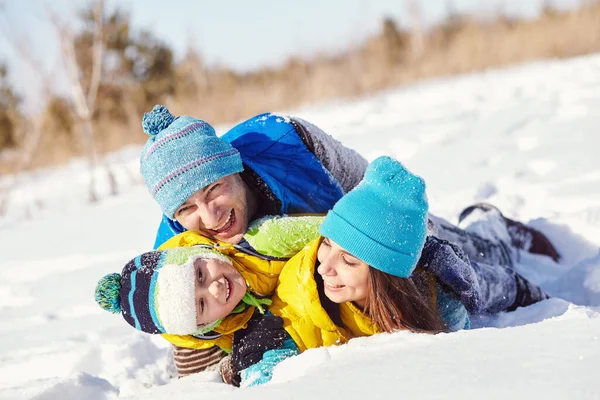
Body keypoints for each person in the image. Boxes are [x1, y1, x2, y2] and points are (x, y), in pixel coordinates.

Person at [230, 156, 551, 387]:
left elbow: (503, 287)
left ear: (386, 278)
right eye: (327, 243)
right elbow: (265, 374)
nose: (325, 266)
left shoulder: (443, 295)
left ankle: (489, 219)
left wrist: (539, 298)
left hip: (478, 263)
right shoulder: (302, 290)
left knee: (496, 251)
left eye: (349, 261)